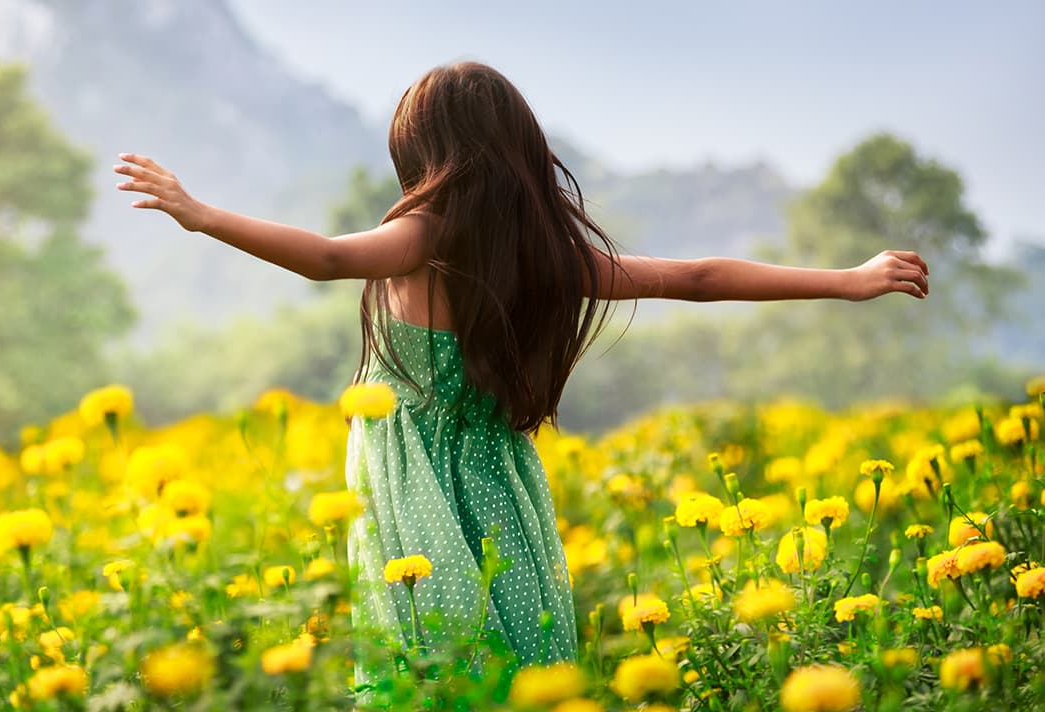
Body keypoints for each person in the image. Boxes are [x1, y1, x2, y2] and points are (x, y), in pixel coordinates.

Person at [114, 60, 928, 699]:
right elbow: (700, 277)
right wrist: (848, 278)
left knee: (429, 655)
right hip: (501, 473)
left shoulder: (423, 237)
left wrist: (202, 213)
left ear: (423, 154)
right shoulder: (549, 255)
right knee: (516, 643)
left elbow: (326, 259)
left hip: (412, 477)